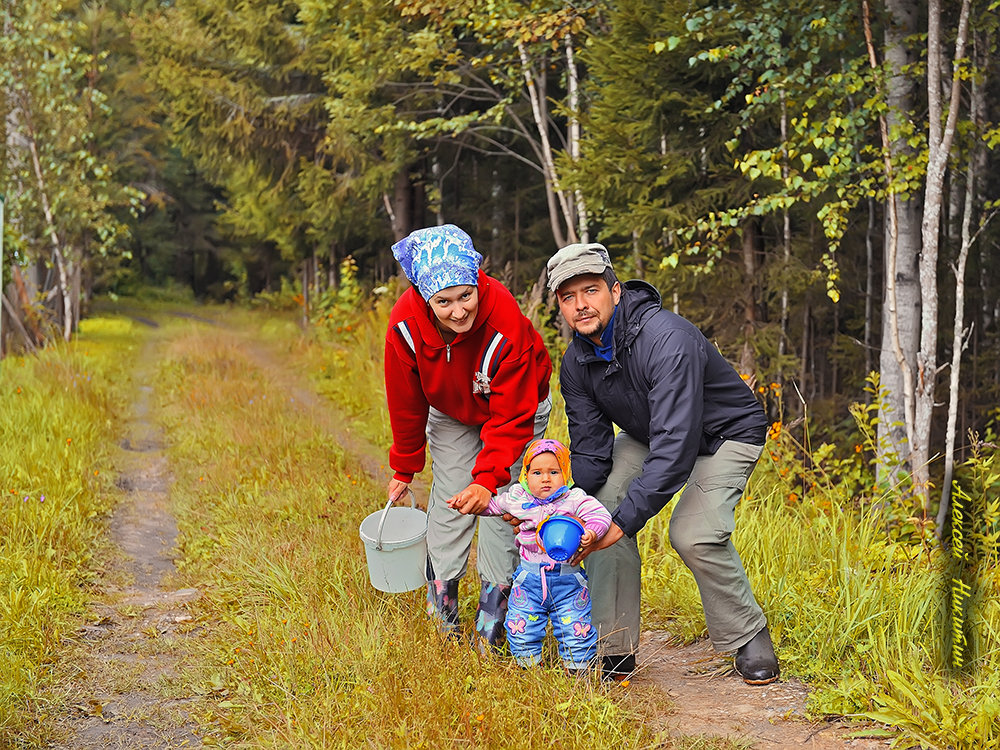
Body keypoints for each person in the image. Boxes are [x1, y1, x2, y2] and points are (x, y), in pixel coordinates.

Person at [545, 242, 780, 685]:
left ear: (615, 291)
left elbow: (676, 448)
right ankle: (613, 648)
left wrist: (624, 521)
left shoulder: (667, 339)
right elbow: (592, 450)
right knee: (598, 515)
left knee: (693, 534)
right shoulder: (576, 362)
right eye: (568, 297)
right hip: (651, 433)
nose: (581, 305)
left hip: (723, 435)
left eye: (590, 291)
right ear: (559, 304)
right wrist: (574, 506)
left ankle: (748, 636)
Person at [384, 224, 553, 647]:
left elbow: (513, 415)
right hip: (452, 410)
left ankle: (494, 619)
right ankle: (442, 611)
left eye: (465, 295)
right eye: (443, 302)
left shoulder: (504, 318)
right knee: (452, 497)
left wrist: (488, 478)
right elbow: (406, 401)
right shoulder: (404, 326)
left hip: (519, 407)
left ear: (478, 278)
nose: (458, 311)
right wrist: (405, 467)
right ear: (425, 298)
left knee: (502, 501)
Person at [450, 438, 612, 672]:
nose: (545, 478)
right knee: (521, 627)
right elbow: (494, 506)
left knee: (576, 627)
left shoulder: (575, 499)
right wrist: (468, 504)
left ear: (565, 473)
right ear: (526, 475)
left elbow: (601, 515)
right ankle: (530, 670)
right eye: (537, 472)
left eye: (554, 472)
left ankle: (578, 672)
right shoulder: (519, 499)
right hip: (529, 581)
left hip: (568, 581)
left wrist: (591, 532)